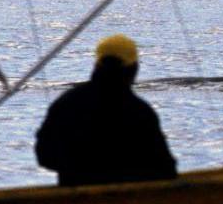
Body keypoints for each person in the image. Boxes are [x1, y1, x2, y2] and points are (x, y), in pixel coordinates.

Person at [35, 34, 177, 186]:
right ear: (134, 68)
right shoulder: (140, 112)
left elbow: (45, 156)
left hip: (75, 203)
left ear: (96, 64)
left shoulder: (66, 103)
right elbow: (166, 169)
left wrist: (78, 167)